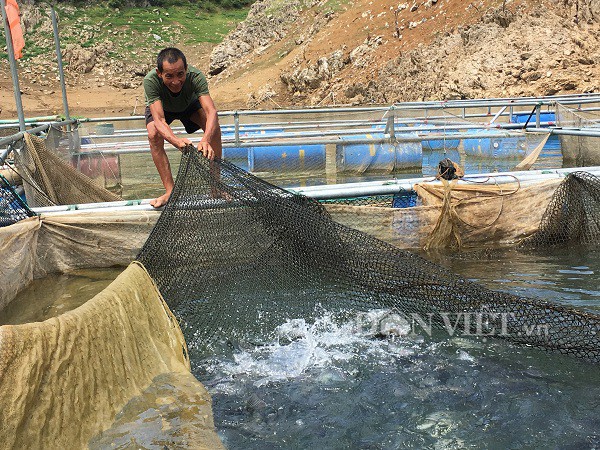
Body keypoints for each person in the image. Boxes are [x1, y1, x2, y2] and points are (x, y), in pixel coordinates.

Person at [143, 47, 222, 207]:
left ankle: (216, 187)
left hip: (189, 106)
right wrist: (176, 142)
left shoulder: (196, 76)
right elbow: (159, 120)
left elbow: (211, 111)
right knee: (153, 134)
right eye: (169, 76)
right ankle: (170, 191)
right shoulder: (150, 81)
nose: (176, 81)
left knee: (213, 127)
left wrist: (206, 139)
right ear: (159, 74)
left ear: (186, 69)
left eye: (180, 74)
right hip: (162, 108)